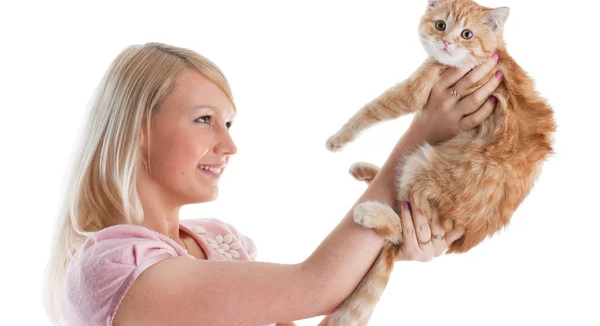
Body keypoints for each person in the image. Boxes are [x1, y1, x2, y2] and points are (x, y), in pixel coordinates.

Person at [41, 42, 501, 325]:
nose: (228, 145)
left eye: (229, 124)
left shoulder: (218, 241)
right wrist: (417, 138)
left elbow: (323, 295)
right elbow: (314, 286)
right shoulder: (113, 267)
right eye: (204, 120)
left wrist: (390, 244)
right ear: (138, 131)